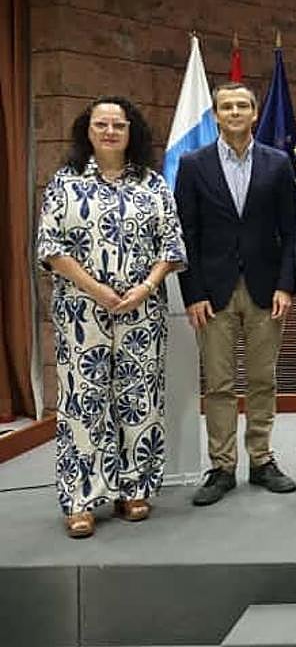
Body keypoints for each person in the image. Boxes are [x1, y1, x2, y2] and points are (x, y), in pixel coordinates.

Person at [36, 97, 186, 538]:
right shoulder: (64, 184)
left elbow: (171, 246)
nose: (109, 132)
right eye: (100, 124)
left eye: (117, 125)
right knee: (85, 402)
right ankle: (81, 499)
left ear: (130, 132)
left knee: (139, 396)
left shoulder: (153, 185)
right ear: (87, 131)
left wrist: (145, 287)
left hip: (142, 311)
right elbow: (51, 248)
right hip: (82, 312)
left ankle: (133, 488)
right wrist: (98, 290)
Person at [175, 82, 296, 507]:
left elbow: (292, 230)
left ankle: (262, 460)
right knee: (221, 384)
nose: (234, 112)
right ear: (215, 115)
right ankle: (222, 466)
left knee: (264, 379)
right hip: (213, 292)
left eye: (242, 106)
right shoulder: (193, 165)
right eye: (226, 106)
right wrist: (191, 293)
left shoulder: (278, 163)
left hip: (266, 289)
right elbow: (185, 234)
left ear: (254, 112)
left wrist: (287, 284)